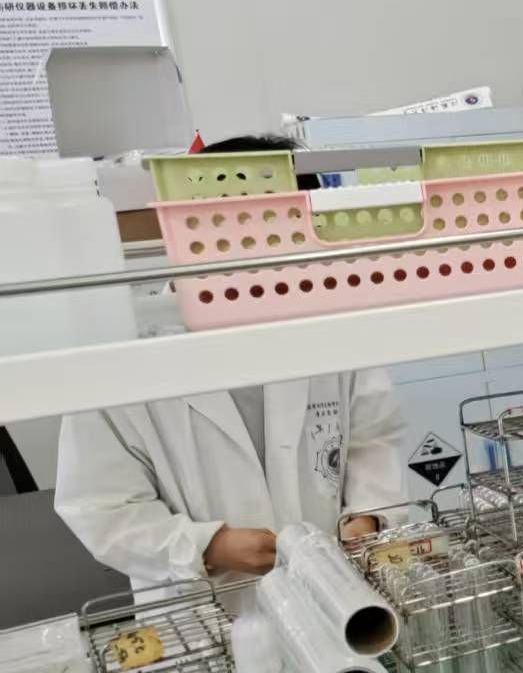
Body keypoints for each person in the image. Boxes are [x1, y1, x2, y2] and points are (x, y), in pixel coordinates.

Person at [55, 136, 407, 594]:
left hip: (335, 592)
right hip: (203, 605)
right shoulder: (120, 354)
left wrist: (368, 517)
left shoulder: (330, 329)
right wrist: (206, 546)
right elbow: (100, 506)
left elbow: (374, 438)